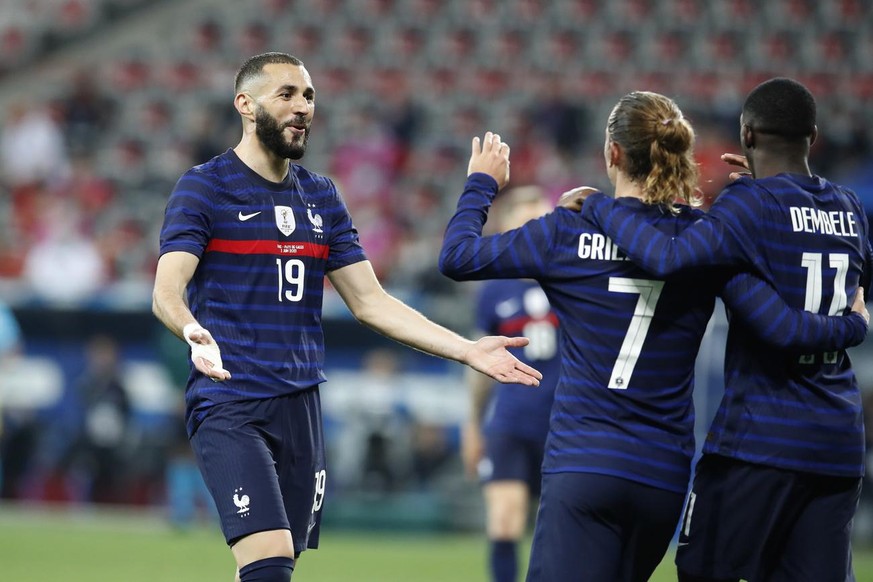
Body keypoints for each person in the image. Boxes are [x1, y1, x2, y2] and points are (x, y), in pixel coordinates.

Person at [438, 94, 868, 581]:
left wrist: (482, 183)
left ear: (613, 154)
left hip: (586, 464)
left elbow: (457, 256)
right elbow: (779, 320)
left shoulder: (565, 230)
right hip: (663, 475)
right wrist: (772, 196)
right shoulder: (708, 239)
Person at [151, 52, 541, 582]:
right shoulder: (204, 187)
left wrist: (467, 349)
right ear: (245, 104)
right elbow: (166, 292)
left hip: (301, 403)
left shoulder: (322, 196)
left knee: (280, 565)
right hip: (230, 399)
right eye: (286, 94)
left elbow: (371, 302)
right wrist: (191, 328)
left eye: (308, 96)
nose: (303, 107)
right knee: (267, 562)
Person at [576, 78, 873, 581]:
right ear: (814, 136)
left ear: (748, 137)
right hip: (837, 442)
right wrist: (853, 326)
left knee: (701, 570)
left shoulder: (748, 207)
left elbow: (666, 256)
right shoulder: (850, 208)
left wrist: (599, 205)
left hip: (762, 440)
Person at [461, 185, 560, 582]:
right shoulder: (494, 290)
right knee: (504, 519)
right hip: (512, 422)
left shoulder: (572, 276)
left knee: (561, 531)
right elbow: (479, 364)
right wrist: (472, 423)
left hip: (565, 420)